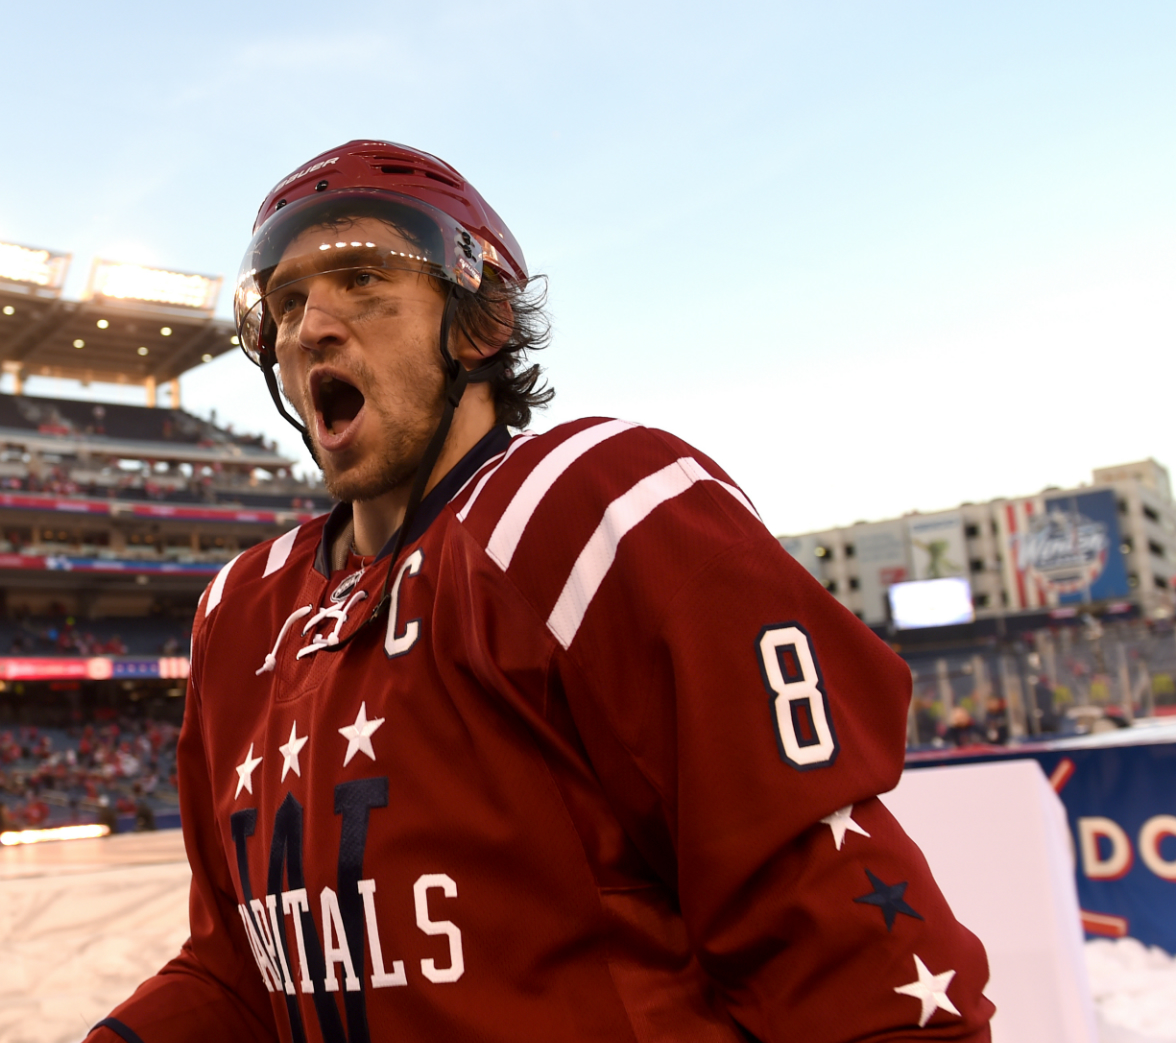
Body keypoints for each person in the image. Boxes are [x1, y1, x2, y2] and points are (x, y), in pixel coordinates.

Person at [85, 141, 991, 1042]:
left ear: (480, 324)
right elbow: (245, 977)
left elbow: (858, 973)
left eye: (362, 278)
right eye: (285, 302)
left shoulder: (583, 512)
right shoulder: (242, 615)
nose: (308, 323)